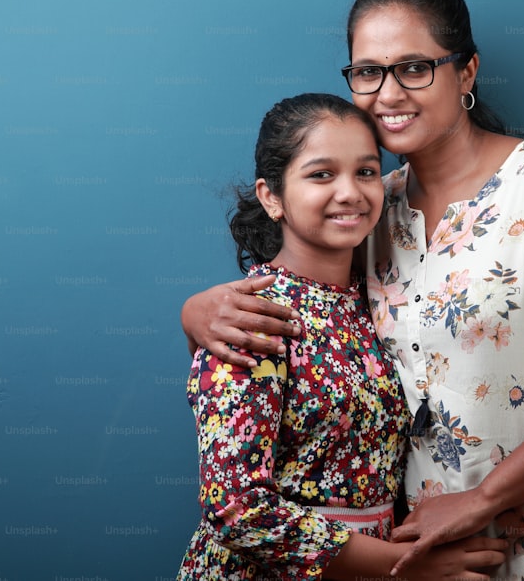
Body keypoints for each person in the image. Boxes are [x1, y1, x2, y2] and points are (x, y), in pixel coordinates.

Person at [182, 0, 524, 580]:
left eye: (414, 67)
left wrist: (479, 500)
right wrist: (195, 315)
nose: (388, 93)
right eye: (367, 71)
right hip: (424, 556)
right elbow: (305, 314)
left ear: (465, 73)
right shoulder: (373, 210)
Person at [176, 92, 506, 581]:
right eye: (321, 174)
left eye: (367, 172)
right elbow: (236, 508)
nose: (350, 192)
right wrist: (406, 567)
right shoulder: (250, 317)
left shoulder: (380, 298)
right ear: (271, 197)